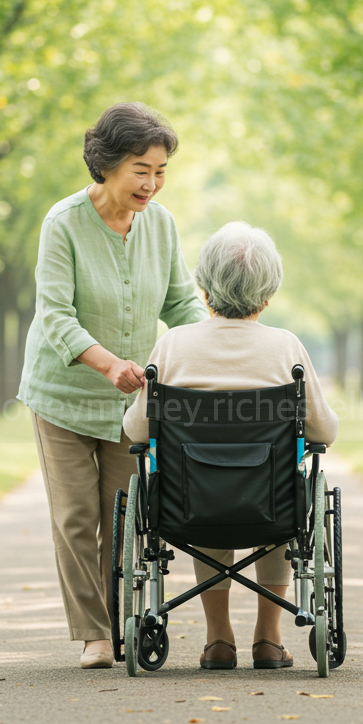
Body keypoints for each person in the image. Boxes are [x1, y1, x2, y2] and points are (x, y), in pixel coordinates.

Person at [18, 103, 208, 670]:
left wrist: (214, 346)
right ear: (106, 165)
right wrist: (107, 365)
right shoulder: (64, 222)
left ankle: (119, 618)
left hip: (133, 403)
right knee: (77, 518)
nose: (151, 183)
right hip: (63, 397)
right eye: (140, 169)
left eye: (160, 170)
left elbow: (180, 302)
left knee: (124, 517)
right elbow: (55, 315)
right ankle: (94, 635)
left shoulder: (162, 224)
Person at [123, 221, 339, 671]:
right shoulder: (286, 348)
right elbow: (324, 432)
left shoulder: (173, 345)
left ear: (204, 288)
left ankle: (218, 639)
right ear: (268, 292)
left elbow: (137, 432)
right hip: (271, 509)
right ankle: (269, 638)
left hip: (189, 508)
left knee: (202, 478)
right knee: (281, 479)